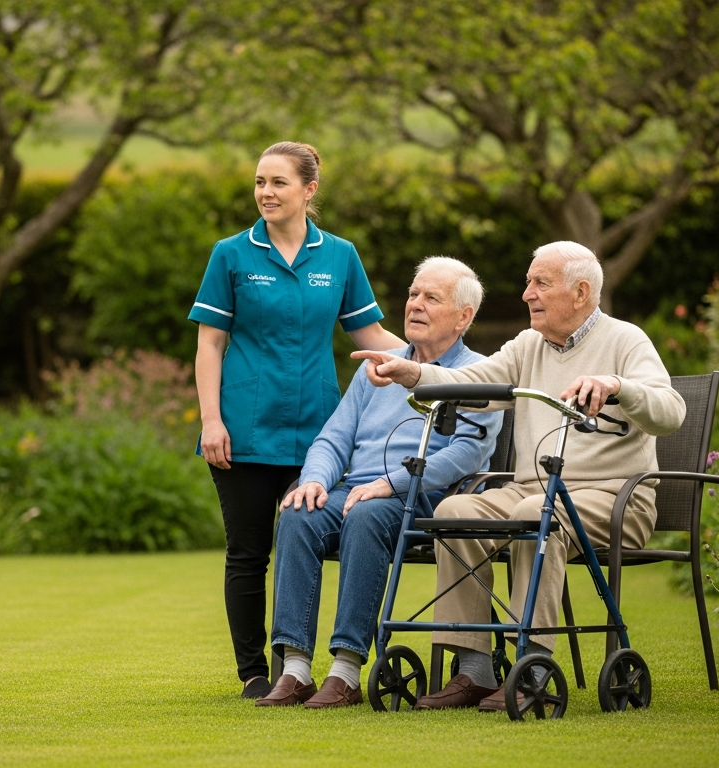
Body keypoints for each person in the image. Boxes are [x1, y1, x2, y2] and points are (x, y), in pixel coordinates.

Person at [350, 241, 685, 712]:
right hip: (534, 490)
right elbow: (474, 384)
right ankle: (474, 669)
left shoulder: (625, 340)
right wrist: (413, 372)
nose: (526, 293)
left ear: (581, 292)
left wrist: (617, 386)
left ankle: (535, 660)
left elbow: (671, 412)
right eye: (529, 282)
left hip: (614, 500)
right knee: (455, 509)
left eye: (540, 283)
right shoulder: (529, 345)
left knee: (535, 513)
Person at [188, 142, 404, 699]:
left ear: (309, 190)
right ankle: (255, 674)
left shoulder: (340, 256)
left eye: (278, 183)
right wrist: (211, 421)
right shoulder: (231, 255)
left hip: (319, 439)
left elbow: (371, 339)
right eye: (260, 182)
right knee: (248, 552)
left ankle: (303, 667)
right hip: (243, 431)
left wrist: (440, 360)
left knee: (305, 541)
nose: (265, 193)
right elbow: (209, 345)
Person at [256, 257, 503, 709]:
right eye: (413, 294)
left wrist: (390, 484)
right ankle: (295, 669)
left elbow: (469, 453)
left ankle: (347, 670)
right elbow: (334, 436)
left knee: (367, 514)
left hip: (427, 497)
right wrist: (313, 480)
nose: (416, 305)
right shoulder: (379, 368)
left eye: (432, 298)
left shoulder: (479, 371)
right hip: (358, 490)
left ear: (464, 317)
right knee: (297, 508)